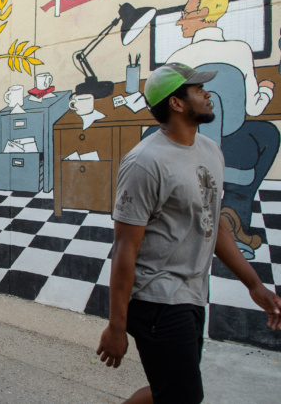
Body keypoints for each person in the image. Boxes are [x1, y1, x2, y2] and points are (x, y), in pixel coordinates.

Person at [96, 63, 281, 404]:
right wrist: (117, 326)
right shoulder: (145, 162)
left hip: (192, 296)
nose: (208, 94)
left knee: (172, 392)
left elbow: (213, 223)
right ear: (177, 104)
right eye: (198, 90)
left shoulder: (209, 150)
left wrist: (254, 284)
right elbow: (124, 250)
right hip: (156, 302)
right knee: (183, 396)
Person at [167, 0, 278, 257]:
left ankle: (178, 223)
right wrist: (267, 89)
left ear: (204, 12)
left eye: (186, 12)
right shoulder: (240, 50)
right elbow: (254, 107)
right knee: (268, 133)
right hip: (231, 142)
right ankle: (235, 215)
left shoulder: (176, 59)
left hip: (188, 143)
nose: (181, 20)